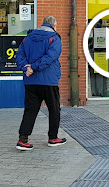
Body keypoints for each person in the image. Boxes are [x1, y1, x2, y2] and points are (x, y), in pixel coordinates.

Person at [15, 16, 66, 151]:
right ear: (54, 25)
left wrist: (27, 68)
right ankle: (53, 138)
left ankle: (23, 140)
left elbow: (19, 55)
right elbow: (51, 57)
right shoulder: (54, 38)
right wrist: (34, 67)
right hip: (49, 80)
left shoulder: (28, 38)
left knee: (30, 111)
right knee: (54, 109)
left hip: (31, 81)